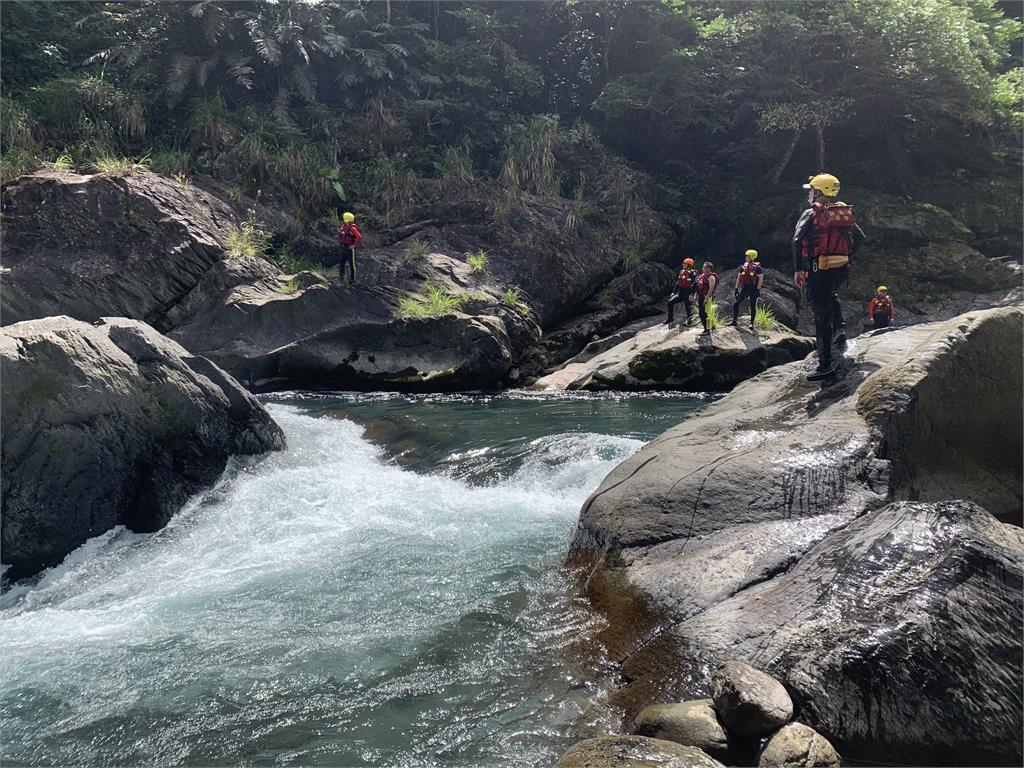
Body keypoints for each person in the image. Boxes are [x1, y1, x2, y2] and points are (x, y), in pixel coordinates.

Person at [792, 173, 866, 380]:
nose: (810, 193)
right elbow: (860, 238)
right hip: (840, 269)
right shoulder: (841, 213)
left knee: (820, 316)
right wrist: (844, 256)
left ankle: (825, 364)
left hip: (818, 269)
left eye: (812, 190)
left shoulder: (811, 213)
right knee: (831, 296)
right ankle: (839, 331)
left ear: (819, 192)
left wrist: (798, 269)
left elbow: (797, 240)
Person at [729, 249, 764, 328]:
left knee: (752, 305)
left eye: (748, 256)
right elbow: (739, 276)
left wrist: (758, 290)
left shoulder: (757, 268)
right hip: (745, 287)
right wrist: (736, 288)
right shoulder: (744, 266)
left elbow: (761, 279)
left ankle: (751, 323)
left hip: (753, 288)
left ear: (752, 257)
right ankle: (734, 321)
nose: (746, 257)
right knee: (736, 303)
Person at [666, 257, 698, 325]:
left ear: (689, 265)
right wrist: (674, 292)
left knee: (688, 306)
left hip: (688, 292)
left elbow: (695, 283)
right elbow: (678, 282)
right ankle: (670, 318)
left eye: (685, 263)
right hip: (681, 292)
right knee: (670, 302)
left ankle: (689, 320)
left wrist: (692, 294)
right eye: (683, 263)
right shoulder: (682, 271)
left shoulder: (693, 273)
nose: (683, 264)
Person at [695, 261, 719, 337]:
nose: (703, 268)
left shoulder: (711, 277)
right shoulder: (701, 276)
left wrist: (706, 298)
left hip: (707, 296)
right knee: (704, 312)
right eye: (703, 267)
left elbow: (711, 288)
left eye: (704, 267)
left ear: (708, 268)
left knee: (704, 313)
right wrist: (696, 295)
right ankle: (711, 326)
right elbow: (698, 287)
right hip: (701, 296)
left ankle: (707, 330)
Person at [338, 212, 363, 284]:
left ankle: (352, 279)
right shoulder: (344, 226)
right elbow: (342, 234)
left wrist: (354, 245)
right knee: (341, 262)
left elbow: (359, 236)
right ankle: (341, 277)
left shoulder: (352, 228)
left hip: (349, 248)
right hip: (343, 247)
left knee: (351, 264)